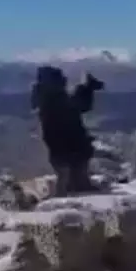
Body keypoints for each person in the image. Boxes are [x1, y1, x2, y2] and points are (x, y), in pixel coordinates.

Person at [30, 66, 106, 195]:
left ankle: (73, 189)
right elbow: (78, 106)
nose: (64, 81)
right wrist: (86, 88)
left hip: (62, 145)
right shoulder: (53, 99)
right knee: (68, 175)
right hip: (67, 144)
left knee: (67, 173)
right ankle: (68, 195)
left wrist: (86, 89)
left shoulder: (46, 98)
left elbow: (75, 106)